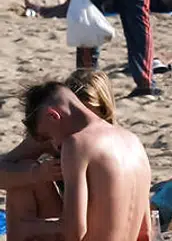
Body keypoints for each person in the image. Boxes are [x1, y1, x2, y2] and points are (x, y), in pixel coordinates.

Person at [13, 82, 151, 241]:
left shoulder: (77, 144)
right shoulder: (134, 142)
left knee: (21, 186)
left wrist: (27, 227)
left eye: (48, 136)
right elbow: (146, 232)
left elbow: (74, 231)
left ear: (53, 115)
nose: (55, 145)